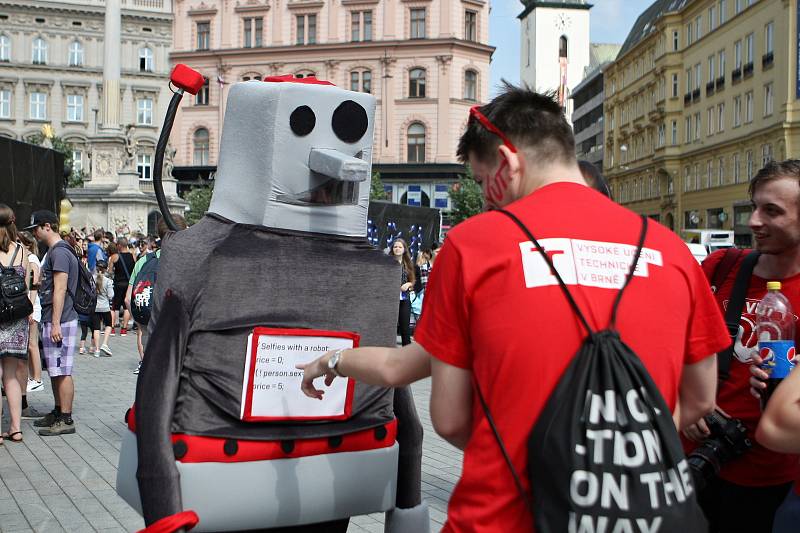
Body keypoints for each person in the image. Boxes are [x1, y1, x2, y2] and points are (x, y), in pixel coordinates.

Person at [299, 84, 728, 531]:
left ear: (508, 162)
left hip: (504, 515)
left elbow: (449, 418)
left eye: (484, 181)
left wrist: (540, 456)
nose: (486, 198)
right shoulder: (672, 250)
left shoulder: (474, 245)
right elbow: (699, 401)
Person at [682, 160, 800, 533]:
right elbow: (675, 343)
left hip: (769, 476)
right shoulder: (722, 266)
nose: (753, 221)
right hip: (694, 458)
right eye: (754, 206)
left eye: (772, 211)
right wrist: (687, 399)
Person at [26, 210, 80, 436]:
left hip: (61, 319)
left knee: (63, 370)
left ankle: (66, 418)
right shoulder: (55, 252)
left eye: (36, 228)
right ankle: (58, 411)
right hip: (56, 317)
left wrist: (56, 322)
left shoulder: (59, 253)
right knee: (56, 370)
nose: (34, 233)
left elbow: (60, 289)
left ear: (47, 226)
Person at [125, 216, 188, 375]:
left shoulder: (144, 261)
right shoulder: (187, 261)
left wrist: (141, 324)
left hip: (149, 328)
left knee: (151, 378)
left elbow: (128, 299)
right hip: (176, 331)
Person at [0, 205, 33, 443]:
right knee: (10, 375)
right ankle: (16, 427)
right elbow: (28, 287)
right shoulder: (23, 251)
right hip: (17, 318)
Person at [18, 231, 43, 394]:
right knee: (28, 345)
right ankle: (31, 377)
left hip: (32, 306)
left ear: (26, 244)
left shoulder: (32, 259)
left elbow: (34, 285)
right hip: (29, 305)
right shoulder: (26, 258)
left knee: (32, 344)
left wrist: (31, 308)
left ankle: (37, 378)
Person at [390, 238, 415, 346]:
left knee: (405, 328)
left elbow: (413, 280)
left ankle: (407, 353)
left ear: (404, 249)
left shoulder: (408, 263)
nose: (397, 249)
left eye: (400, 247)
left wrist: (408, 284)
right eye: (395, 246)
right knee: (390, 327)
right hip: (390, 300)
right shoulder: (387, 263)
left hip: (404, 299)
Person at [109, 238, 135, 336]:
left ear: (119, 245)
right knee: (126, 307)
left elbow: (110, 271)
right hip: (128, 284)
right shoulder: (132, 255)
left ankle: (111, 328)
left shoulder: (115, 256)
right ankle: (124, 329)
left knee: (114, 306)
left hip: (118, 284)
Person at [91, 259, 113, 357]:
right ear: (106, 269)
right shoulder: (108, 281)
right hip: (105, 307)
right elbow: (111, 295)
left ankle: (96, 350)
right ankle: (104, 344)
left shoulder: (92, 279)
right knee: (108, 324)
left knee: (96, 328)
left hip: (95, 307)